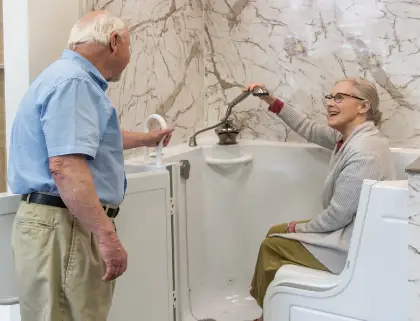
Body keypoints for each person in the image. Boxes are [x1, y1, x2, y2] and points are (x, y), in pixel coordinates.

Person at [7, 11, 173, 321]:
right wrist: (106, 235)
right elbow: (65, 165)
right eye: (129, 46)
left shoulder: (64, 77)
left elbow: (85, 140)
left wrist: (146, 139)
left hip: (58, 223)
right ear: (114, 42)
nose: (129, 55)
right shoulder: (74, 83)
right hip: (65, 226)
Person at [245, 78, 396, 321]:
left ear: (363, 106)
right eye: (330, 97)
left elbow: (337, 216)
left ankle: (271, 315)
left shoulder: (364, 152)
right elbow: (310, 129)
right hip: (348, 230)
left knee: (271, 246)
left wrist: (299, 227)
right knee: (276, 231)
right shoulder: (351, 138)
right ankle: (272, 309)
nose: (330, 103)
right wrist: (270, 100)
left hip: (354, 245)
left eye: (340, 98)